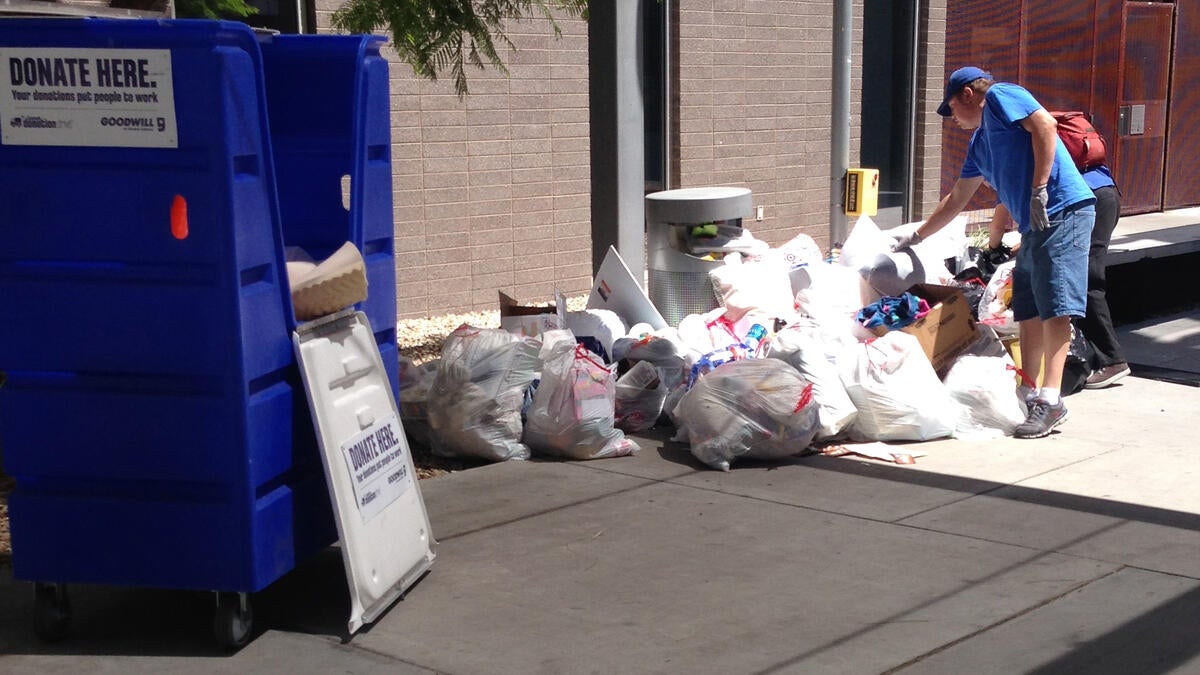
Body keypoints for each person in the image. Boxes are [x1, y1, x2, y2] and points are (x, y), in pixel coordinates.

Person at [892, 66, 1096, 439]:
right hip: (1036, 225)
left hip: (1063, 209)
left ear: (968, 94)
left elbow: (1046, 127)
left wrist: (1039, 189)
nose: (952, 120)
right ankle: (1029, 390)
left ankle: (1051, 399)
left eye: (951, 109)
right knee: (1028, 306)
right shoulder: (979, 146)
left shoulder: (1002, 97)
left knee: (1056, 304)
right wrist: (916, 237)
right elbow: (957, 199)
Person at [988, 164, 1129, 390]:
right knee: (1082, 278)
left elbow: (999, 226)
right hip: (1106, 194)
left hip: (1083, 203)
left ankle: (1113, 361)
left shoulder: (1005, 171)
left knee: (1080, 282)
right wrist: (1019, 247)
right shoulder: (1036, 164)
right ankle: (1098, 358)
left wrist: (992, 249)